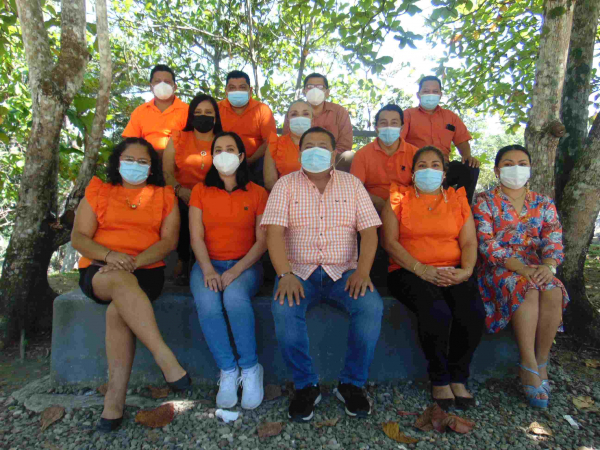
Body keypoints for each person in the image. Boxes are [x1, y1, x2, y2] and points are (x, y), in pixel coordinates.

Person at [262, 126, 383, 421]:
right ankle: (306, 386)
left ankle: (351, 384)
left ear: (334, 153)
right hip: (298, 273)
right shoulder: (285, 185)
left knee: (371, 307)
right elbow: (274, 235)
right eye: (309, 145)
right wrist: (285, 274)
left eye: (322, 145)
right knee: (283, 309)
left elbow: (369, 234)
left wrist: (363, 272)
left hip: (344, 273)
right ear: (300, 152)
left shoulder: (352, 185)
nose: (315, 150)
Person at [71, 138, 192, 433]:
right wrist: (112, 256)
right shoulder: (99, 191)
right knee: (119, 283)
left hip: (146, 270)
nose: (135, 166)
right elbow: (80, 238)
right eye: (129, 159)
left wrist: (133, 262)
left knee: (118, 312)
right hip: (102, 269)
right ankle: (164, 356)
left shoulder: (164, 196)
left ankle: (114, 402)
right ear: (117, 161)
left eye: (143, 162)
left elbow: (168, 242)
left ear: (151, 168)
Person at [381, 146, 484, 410]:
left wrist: (466, 271)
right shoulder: (398, 197)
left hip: (453, 269)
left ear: (445, 172)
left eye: (435, 165)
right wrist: (420, 269)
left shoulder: (458, 199)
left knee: (471, 311)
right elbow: (390, 242)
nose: (429, 170)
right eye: (422, 165)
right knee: (436, 310)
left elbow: (470, 241)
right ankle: (439, 379)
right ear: (413, 172)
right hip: (408, 271)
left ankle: (458, 378)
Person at [473, 144, 569, 408]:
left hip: (537, 265)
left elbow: (553, 238)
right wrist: (520, 268)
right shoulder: (485, 201)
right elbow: (485, 241)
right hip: (499, 267)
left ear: (530, 168)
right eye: (508, 163)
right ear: (496, 169)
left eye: (522, 162)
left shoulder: (543, 202)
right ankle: (526, 363)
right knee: (526, 288)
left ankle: (542, 361)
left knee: (553, 289)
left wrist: (547, 265)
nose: (515, 168)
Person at [189, 132, 268, 410]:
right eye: (218, 149)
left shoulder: (258, 193)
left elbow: (262, 241)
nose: (224, 154)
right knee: (208, 303)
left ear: (241, 156)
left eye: (230, 149)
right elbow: (196, 237)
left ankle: (250, 368)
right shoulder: (200, 191)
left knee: (234, 298)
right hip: (207, 264)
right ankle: (228, 370)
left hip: (245, 265)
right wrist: (208, 269)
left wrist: (236, 271)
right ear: (212, 157)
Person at [163, 94, 223, 285]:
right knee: (181, 210)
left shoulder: (223, 140)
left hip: (214, 195)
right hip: (182, 194)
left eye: (208, 112)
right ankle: (182, 260)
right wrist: (180, 190)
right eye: (198, 112)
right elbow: (166, 171)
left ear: (216, 116)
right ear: (190, 116)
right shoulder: (178, 138)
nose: (203, 116)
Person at [401, 76, 480, 202]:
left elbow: (462, 141)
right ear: (418, 94)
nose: (431, 95)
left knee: (471, 167)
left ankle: (463, 206)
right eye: (426, 91)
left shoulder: (451, 117)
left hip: (444, 169)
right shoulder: (407, 115)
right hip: (416, 168)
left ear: (440, 94)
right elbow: (399, 143)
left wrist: (467, 156)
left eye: (435, 91)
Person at [350, 104, 419, 213]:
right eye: (383, 123)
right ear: (376, 128)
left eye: (394, 123)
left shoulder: (416, 154)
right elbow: (354, 189)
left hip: (407, 207)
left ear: (401, 128)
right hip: (371, 207)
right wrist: (376, 201)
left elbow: (421, 188)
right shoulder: (362, 154)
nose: (389, 127)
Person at [282, 73, 354, 171]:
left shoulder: (339, 112)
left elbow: (345, 144)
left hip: (331, 160)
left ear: (327, 92)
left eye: (320, 87)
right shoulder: (294, 112)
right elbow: (286, 140)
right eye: (310, 87)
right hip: (301, 158)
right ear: (304, 92)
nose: (315, 91)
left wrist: (323, 157)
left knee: (348, 156)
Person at [218, 70, 277, 185]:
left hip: (255, 162)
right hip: (223, 161)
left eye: (242, 87)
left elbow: (269, 142)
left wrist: (249, 160)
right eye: (232, 88)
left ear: (250, 90)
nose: (237, 91)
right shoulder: (217, 108)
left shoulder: (262, 110)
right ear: (226, 91)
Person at [122, 65, 188, 156]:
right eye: (157, 81)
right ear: (151, 87)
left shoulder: (187, 110)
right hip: (147, 162)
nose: (162, 85)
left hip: (178, 162)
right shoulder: (140, 111)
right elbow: (129, 142)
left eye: (167, 82)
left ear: (175, 87)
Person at [263, 100, 312, 191]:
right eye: (294, 114)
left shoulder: (323, 145)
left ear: (312, 118)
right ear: (287, 119)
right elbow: (270, 182)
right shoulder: (275, 143)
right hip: (284, 197)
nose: (300, 118)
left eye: (305, 114)